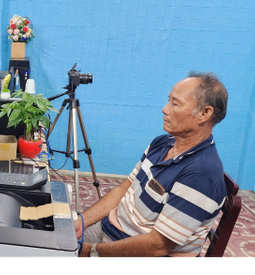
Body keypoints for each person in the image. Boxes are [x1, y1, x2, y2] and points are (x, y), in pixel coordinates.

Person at [74, 72, 228, 258]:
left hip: (135, 252)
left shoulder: (200, 174)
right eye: (168, 101)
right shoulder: (163, 143)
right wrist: (81, 221)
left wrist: (91, 251)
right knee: (51, 238)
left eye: (175, 103)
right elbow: (124, 189)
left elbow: (157, 246)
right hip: (110, 231)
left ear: (204, 113)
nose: (165, 109)